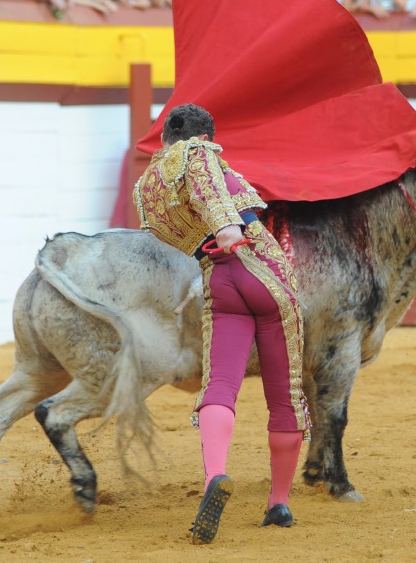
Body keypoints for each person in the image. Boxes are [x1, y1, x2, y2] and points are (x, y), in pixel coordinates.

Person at [134, 103, 309, 545]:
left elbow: (170, 228)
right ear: (206, 136)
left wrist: (212, 237)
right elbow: (208, 185)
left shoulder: (147, 184)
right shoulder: (200, 153)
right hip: (260, 267)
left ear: (163, 139)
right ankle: (278, 502)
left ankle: (216, 474)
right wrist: (229, 223)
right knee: (284, 392)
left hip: (217, 278)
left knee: (220, 384)